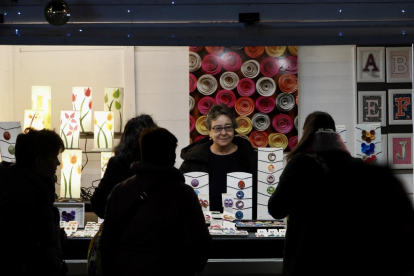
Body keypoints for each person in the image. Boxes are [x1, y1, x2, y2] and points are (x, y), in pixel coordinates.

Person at [268, 111, 414, 276]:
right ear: (335, 133)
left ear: (305, 133)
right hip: (350, 261)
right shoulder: (359, 168)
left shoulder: (300, 164)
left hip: (307, 259)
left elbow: (276, 209)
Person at [100, 127, 212, 276]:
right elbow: (199, 243)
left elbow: (107, 241)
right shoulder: (184, 194)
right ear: (171, 156)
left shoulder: (120, 190)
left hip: (125, 269)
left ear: (142, 153)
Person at [0, 128, 67, 276]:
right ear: (38, 161)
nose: (58, 162)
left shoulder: (28, 188)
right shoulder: (22, 198)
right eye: (54, 156)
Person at [180, 104, 257, 213]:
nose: (224, 133)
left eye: (228, 127)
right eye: (218, 128)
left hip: (242, 223)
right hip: (204, 225)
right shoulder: (193, 160)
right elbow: (179, 194)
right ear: (209, 131)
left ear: (234, 129)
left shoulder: (249, 157)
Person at [91, 114, 157, 219]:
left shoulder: (117, 163)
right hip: (154, 231)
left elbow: (98, 202)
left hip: (122, 231)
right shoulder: (159, 166)